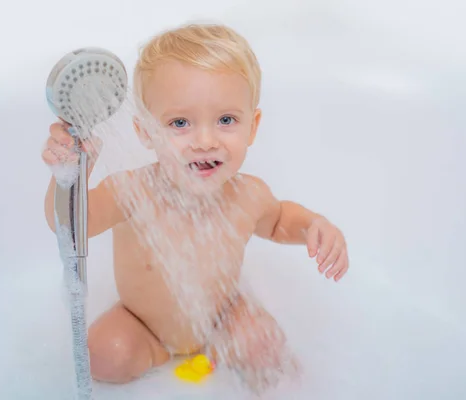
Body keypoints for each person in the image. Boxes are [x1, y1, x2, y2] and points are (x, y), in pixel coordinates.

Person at [41, 22, 349, 393]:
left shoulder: (247, 194)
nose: (205, 140)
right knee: (103, 355)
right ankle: (157, 355)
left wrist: (314, 226)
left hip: (221, 318)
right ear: (144, 132)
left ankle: (234, 357)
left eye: (226, 120)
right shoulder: (131, 190)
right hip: (144, 326)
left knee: (265, 346)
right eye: (180, 123)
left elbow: (280, 219)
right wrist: (70, 173)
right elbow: (71, 227)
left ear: (252, 127)